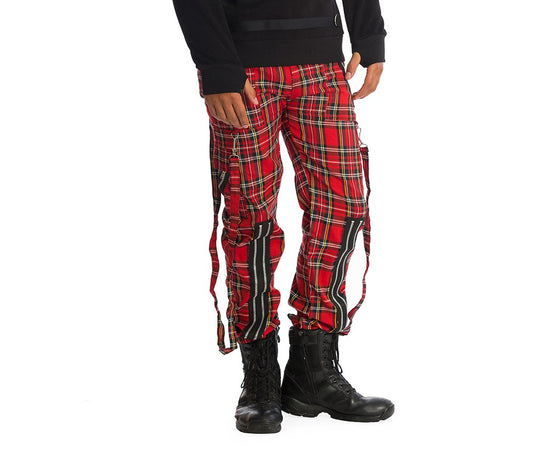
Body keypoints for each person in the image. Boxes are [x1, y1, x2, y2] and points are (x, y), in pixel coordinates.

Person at [171, 0, 394, 433]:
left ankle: (313, 373)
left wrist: (368, 32)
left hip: (322, 60)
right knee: (249, 215)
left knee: (343, 206)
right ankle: (260, 378)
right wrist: (217, 64)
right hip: (242, 65)